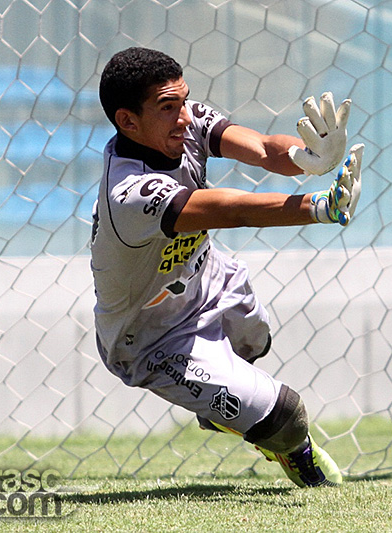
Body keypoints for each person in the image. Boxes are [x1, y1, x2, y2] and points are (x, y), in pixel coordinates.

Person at [91, 47, 363, 488]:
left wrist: (310, 157)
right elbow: (232, 209)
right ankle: (286, 446)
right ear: (127, 121)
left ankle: (225, 411)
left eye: (183, 100)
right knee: (288, 419)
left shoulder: (182, 120)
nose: (184, 116)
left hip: (209, 279)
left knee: (256, 341)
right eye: (168, 107)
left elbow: (260, 148)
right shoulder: (130, 193)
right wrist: (317, 206)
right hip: (152, 337)